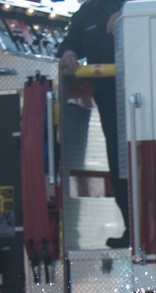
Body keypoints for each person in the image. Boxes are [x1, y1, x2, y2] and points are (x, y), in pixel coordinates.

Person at [56, 0, 130, 249]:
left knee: (145, 165)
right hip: (110, 101)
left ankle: (148, 227)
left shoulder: (135, 3)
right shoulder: (87, 12)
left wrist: (128, 13)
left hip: (145, 99)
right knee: (120, 167)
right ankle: (131, 228)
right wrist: (68, 53)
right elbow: (69, 42)